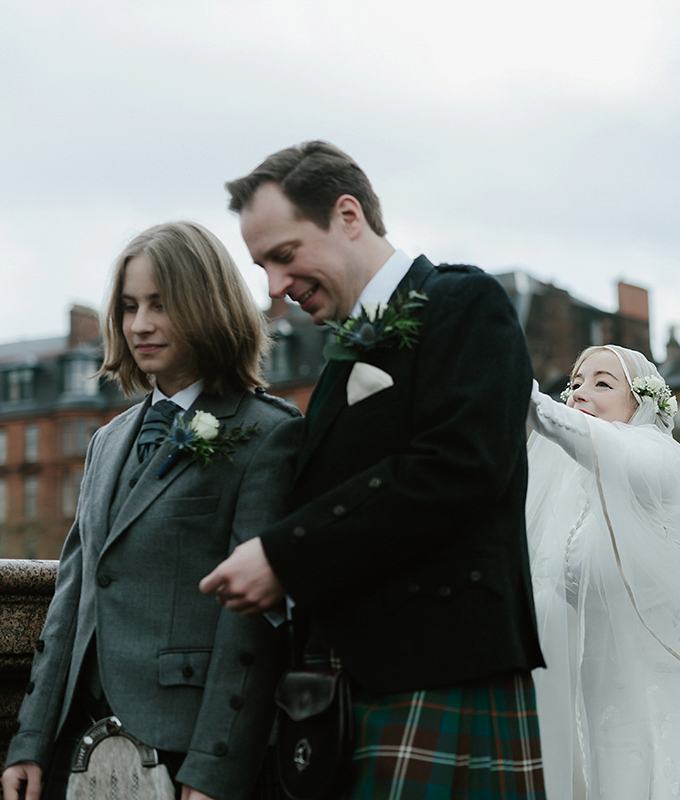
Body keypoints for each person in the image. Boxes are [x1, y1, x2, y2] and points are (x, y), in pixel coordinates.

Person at [199, 141, 546, 798]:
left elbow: (460, 467)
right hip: (343, 688)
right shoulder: (341, 357)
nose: (274, 287)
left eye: (285, 255)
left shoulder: (462, 301)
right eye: (262, 266)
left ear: (348, 216)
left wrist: (284, 555)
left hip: (440, 671)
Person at [1, 222, 302, 800]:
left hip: (189, 750)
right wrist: (30, 742)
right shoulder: (106, 441)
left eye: (161, 305)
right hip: (79, 746)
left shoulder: (268, 434)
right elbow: (71, 599)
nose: (140, 325)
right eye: (130, 306)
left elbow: (253, 629)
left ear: (208, 306)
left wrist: (215, 770)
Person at [526, 344, 680, 799]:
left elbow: (607, 450)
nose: (578, 393)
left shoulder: (660, 462)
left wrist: (522, 394)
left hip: (679, 711)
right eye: (574, 383)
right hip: (602, 717)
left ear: (641, 404)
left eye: (602, 383)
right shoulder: (568, 493)